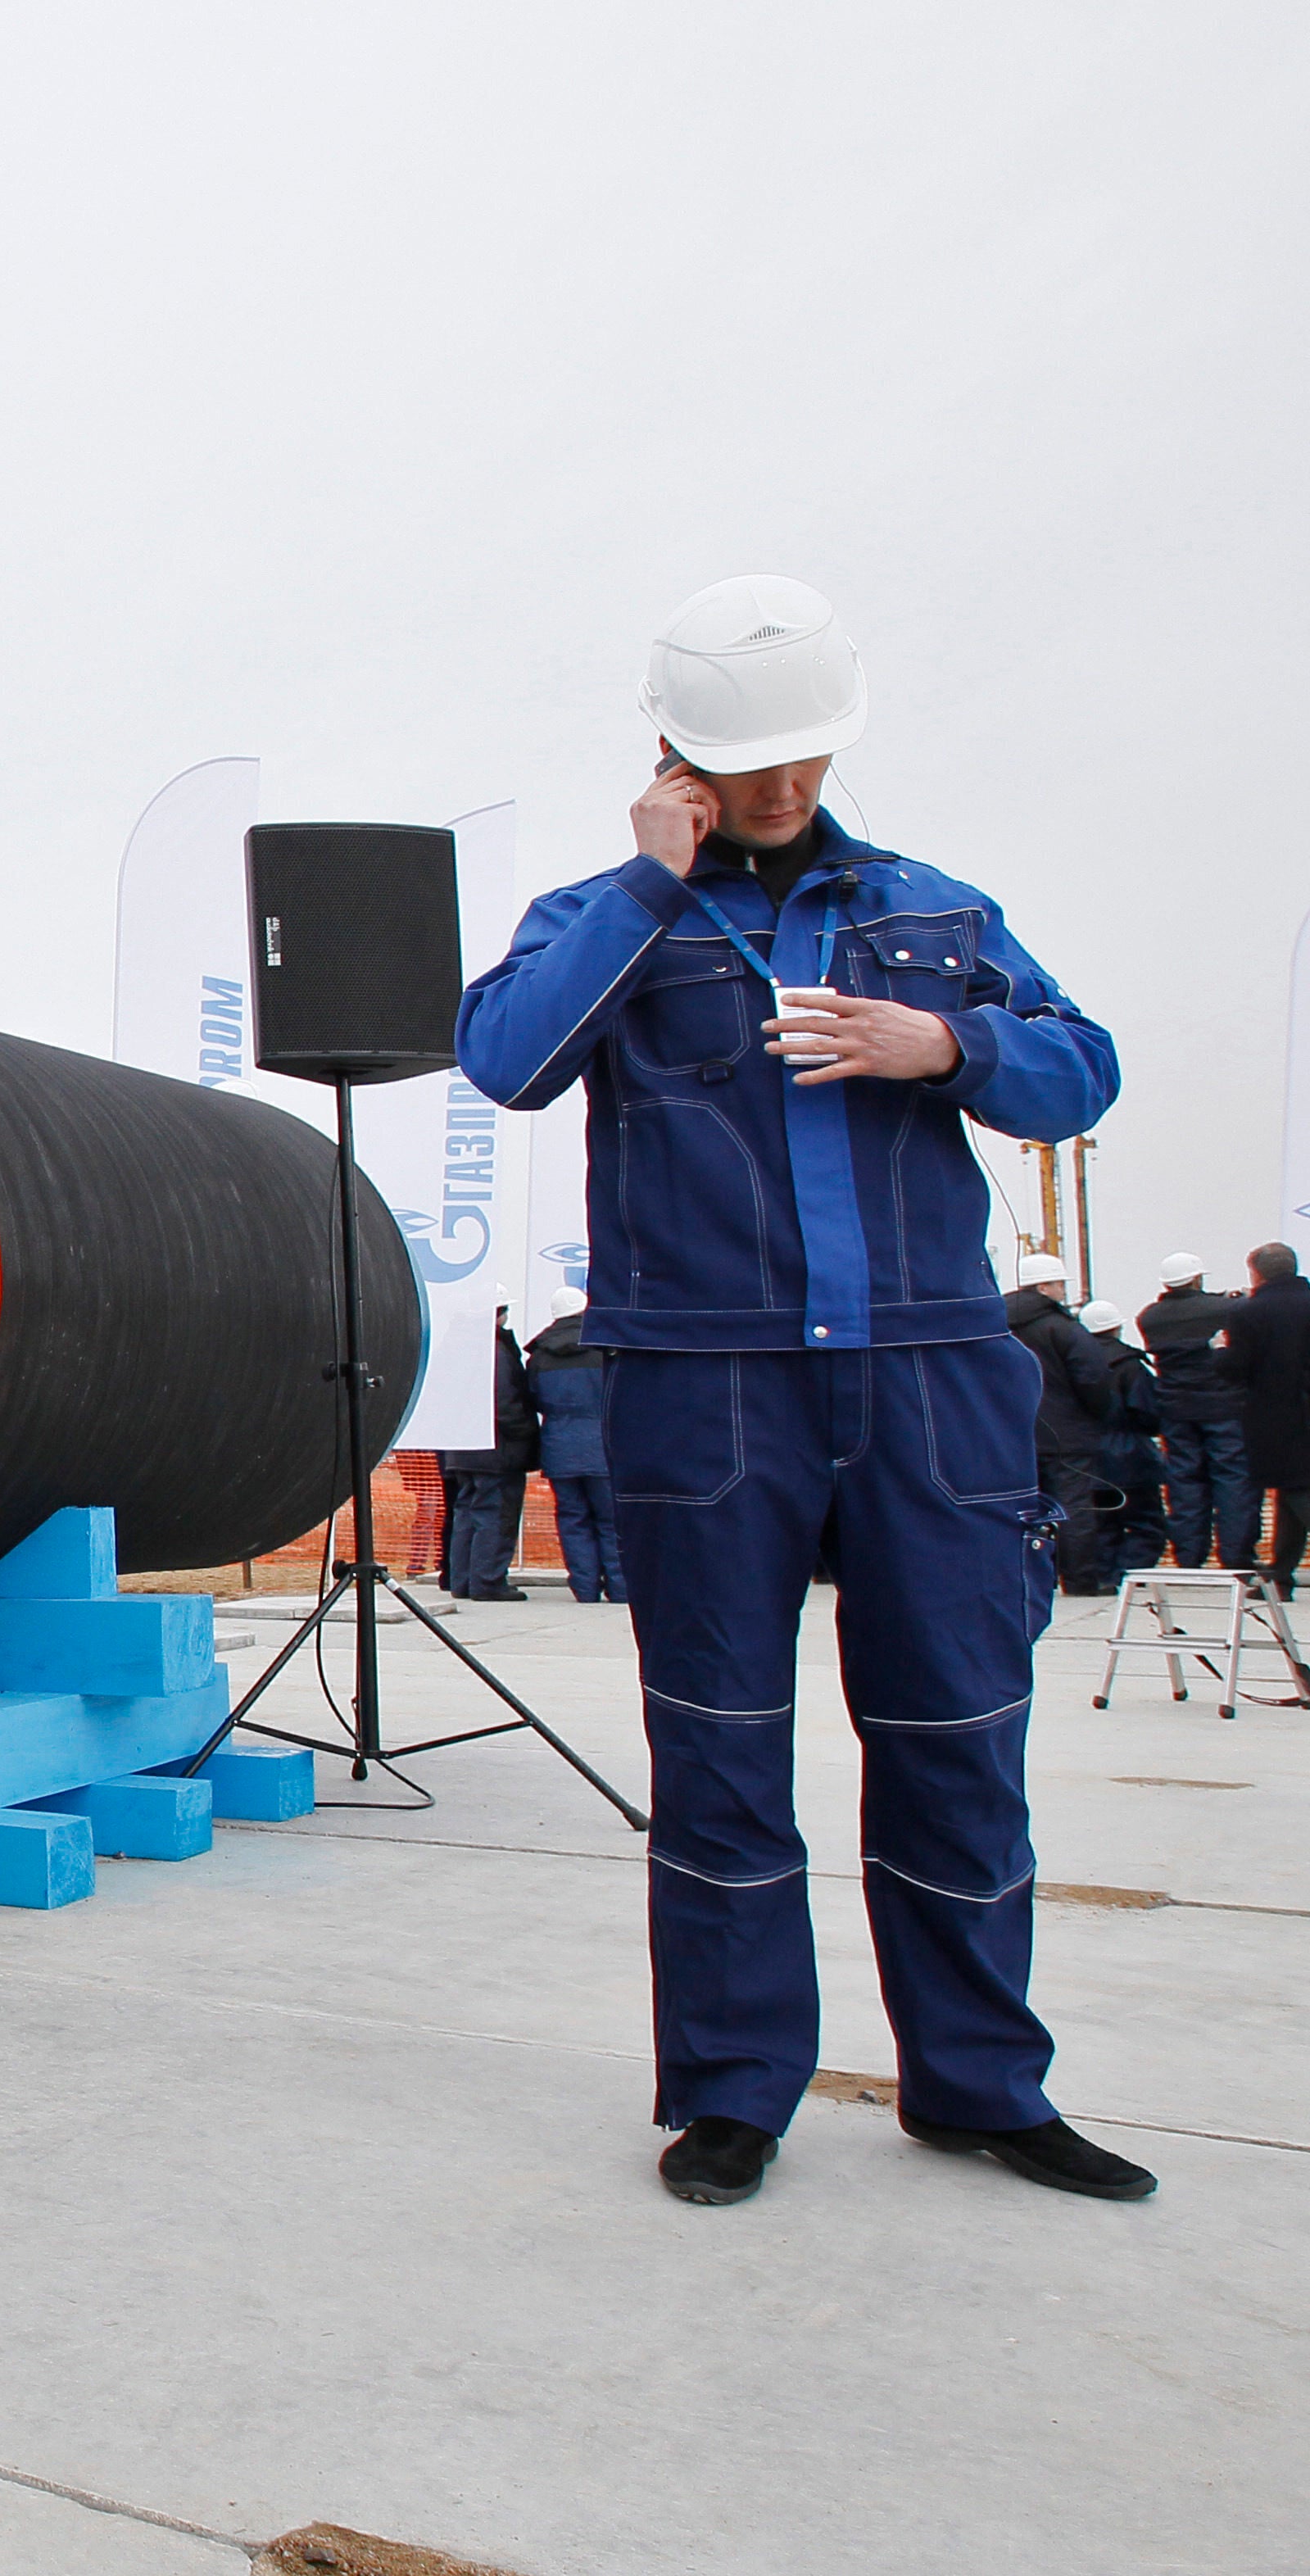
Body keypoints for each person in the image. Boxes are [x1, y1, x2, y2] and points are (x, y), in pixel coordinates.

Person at [459, 574, 1152, 2206]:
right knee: (719, 1744)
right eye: (747, 766)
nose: (781, 794)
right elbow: (508, 1059)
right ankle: (733, 2088)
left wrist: (946, 1051)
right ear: (675, 751)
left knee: (957, 1737)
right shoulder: (604, 913)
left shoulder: (940, 917)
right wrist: (651, 879)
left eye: (802, 763)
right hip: (706, 1390)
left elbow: (1085, 1070)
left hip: (931, 1379)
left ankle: (980, 2083)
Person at [1005, 1256, 1120, 1596]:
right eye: (1059, 1284)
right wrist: (1098, 1415)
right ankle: (1081, 1580)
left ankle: (1024, 1577)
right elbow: (1093, 1379)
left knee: (1018, 1510)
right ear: (1044, 1287)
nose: (1062, 1291)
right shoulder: (1063, 1328)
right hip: (1066, 1435)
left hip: (1010, 1434)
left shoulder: (997, 1325)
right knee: (1074, 1508)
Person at [1138, 1252, 1258, 1568]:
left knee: (1184, 1482)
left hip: (1175, 1410)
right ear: (1197, 1278)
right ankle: (1236, 1558)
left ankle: (1189, 1557)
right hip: (1225, 1407)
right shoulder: (1229, 1310)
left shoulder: (1150, 1316)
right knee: (1233, 1480)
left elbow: (1189, 1314)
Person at [524, 1286, 620, 1601]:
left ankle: (585, 1587)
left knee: (572, 1519)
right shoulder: (604, 1350)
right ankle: (620, 1587)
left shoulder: (539, 1356)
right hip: (603, 1448)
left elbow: (534, 1400)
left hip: (559, 1448)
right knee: (610, 1520)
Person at [436, 1299, 536, 1600]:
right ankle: (488, 1581)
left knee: (467, 1513)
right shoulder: (495, 1353)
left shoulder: (454, 1349)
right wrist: (527, 1433)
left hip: (461, 1447)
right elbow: (505, 1402)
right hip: (495, 1449)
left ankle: (463, 1581)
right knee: (494, 1514)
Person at [1072, 1300, 1170, 1581]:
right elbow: (1148, 1412)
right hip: (1131, 1457)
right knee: (1145, 1522)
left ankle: (1104, 1576)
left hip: (1085, 1459)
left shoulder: (1071, 1365)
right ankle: (1129, 1575)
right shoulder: (1130, 1366)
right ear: (1117, 1328)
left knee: (1103, 1523)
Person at [1235, 1243, 1310, 1600]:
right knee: (1291, 1493)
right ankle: (1280, 1574)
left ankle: (1280, 1575)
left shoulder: (1251, 1312)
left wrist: (1220, 1352)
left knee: (1295, 1490)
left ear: (1257, 1273)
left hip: (1277, 1417)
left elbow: (1237, 1367)